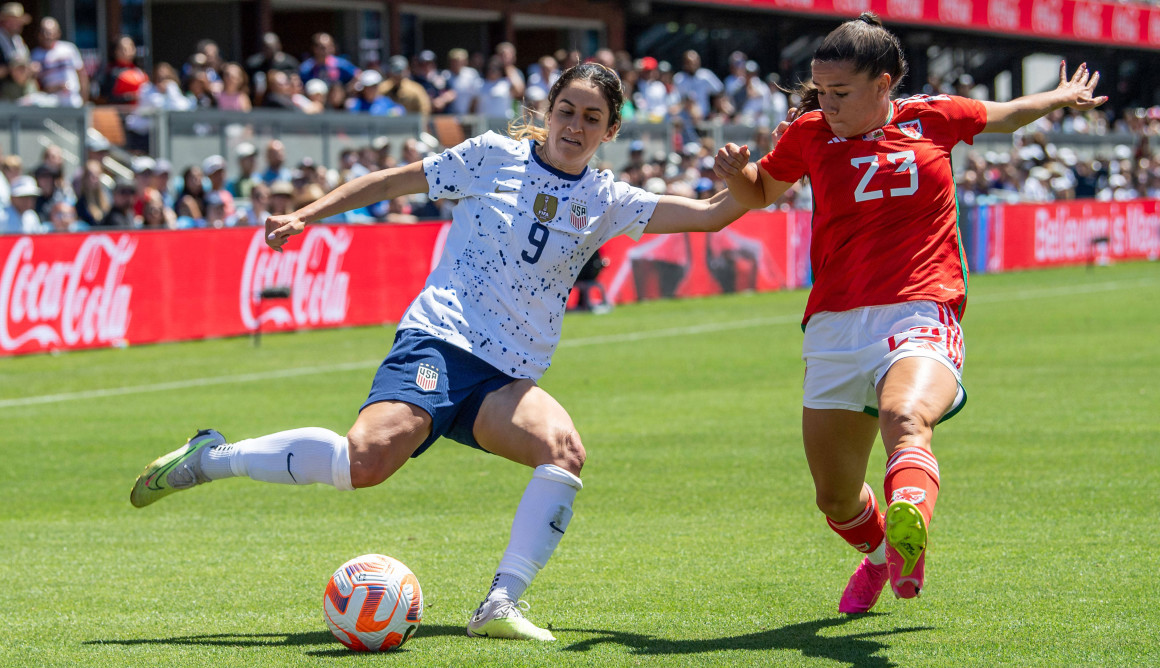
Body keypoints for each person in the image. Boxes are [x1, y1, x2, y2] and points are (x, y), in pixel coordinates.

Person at [130, 62, 749, 642]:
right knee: (362, 464)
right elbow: (389, 181)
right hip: (442, 338)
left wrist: (752, 173)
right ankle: (214, 457)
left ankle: (500, 603)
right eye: (567, 110)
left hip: (509, 376)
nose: (575, 126)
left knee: (563, 453)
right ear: (549, 110)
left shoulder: (609, 200)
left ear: (610, 130)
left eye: (592, 118)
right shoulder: (491, 157)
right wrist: (306, 215)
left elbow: (718, 213)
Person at [714, 13, 1107, 615]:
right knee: (835, 499)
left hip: (920, 308)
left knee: (904, 416)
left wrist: (1060, 95)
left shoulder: (934, 117)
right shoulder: (809, 133)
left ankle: (910, 513)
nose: (826, 103)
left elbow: (1007, 116)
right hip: (833, 325)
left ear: (885, 83)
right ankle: (884, 553)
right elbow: (761, 191)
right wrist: (736, 172)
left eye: (840, 92)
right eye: (819, 91)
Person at [31, 16, 88, 107]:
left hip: (73, 100)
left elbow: (82, 74)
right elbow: (35, 85)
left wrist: (84, 98)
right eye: (43, 32)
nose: (47, 35)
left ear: (58, 33)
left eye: (50, 32)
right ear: (38, 34)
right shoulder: (35, 55)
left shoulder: (69, 49)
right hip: (49, 103)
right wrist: (54, 88)